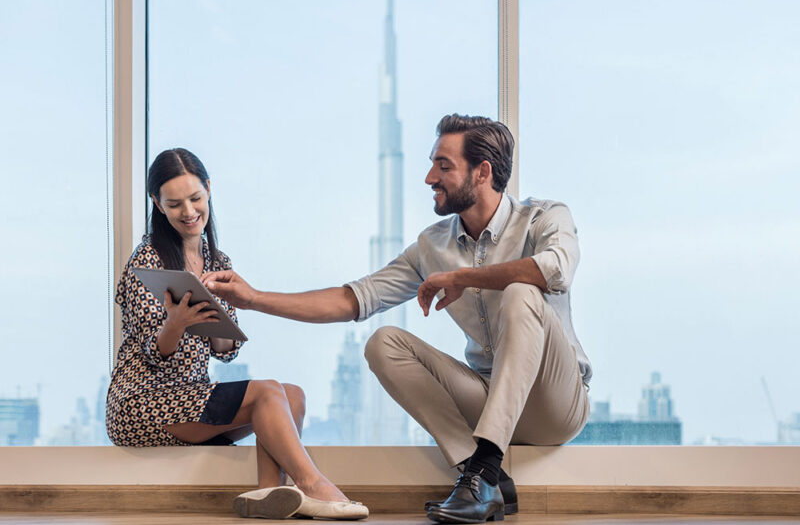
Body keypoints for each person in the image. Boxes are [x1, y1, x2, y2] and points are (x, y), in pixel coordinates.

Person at [203, 114, 592, 524]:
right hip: (487, 398)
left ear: (482, 172)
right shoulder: (432, 245)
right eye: (431, 164)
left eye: (444, 165)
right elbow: (353, 299)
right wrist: (253, 299)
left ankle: (486, 465)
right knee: (383, 342)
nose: (429, 177)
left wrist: (463, 277)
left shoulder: (544, 217)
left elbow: (556, 271)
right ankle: (478, 475)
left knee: (521, 292)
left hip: (554, 405)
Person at [105, 148, 367, 520]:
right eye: (175, 203)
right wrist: (176, 324)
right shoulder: (147, 262)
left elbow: (225, 352)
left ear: (209, 189)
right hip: (142, 401)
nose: (189, 211)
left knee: (292, 395)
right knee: (265, 391)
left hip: (190, 396)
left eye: (195, 198)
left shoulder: (218, 262)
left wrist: (216, 319)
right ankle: (312, 485)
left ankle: (267, 494)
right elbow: (154, 355)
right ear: (157, 204)